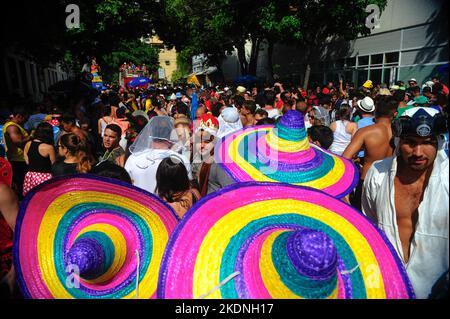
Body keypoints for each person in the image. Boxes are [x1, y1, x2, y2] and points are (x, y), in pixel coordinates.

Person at [362, 107, 448, 299]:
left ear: (439, 143)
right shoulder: (378, 174)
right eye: (410, 143)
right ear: (399, 142)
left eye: (427, 143)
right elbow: (370, 227)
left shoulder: (447, 179)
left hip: (438, 287)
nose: (418, 152)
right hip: (388, 284)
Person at [343, 95, 399, 210]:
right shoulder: (399, 134)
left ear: (375, 111)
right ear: (395, 114)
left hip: (367, 179)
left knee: (361, 223)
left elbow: (345, 158)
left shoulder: (366, 132)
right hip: (390, 181)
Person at [125, 116, 192, 194]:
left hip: (138, 204)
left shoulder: (133, 158)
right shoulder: (181, 159)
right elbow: (187, 190)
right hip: (166, 205)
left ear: (150, 133)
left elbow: (125, 187)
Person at [2, 106, 30, 197]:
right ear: (19, 116)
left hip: (19, 160)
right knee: (21, 185)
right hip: (18, 160)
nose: (26, 120)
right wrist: (32, 136)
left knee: (21, 184)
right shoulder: (12, 127)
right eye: (25, 118)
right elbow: (18, 142)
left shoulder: (14, 126)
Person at [23, 122, 56, 196]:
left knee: (31, 199)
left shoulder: (28, 144)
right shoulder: (49, 148)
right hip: (45, 178)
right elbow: (54, 164)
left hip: (31, 177)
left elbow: (27, 161)